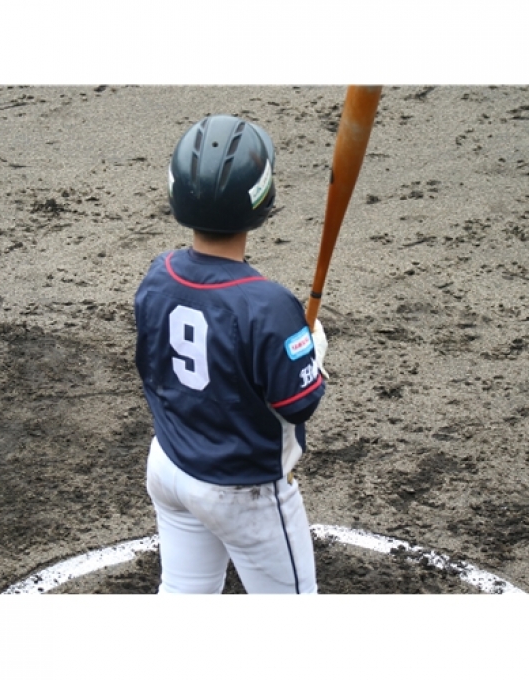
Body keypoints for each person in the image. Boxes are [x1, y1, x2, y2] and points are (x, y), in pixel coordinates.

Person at [134, 114, 328, 594]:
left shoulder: (158, 274)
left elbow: (153, 367)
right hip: (242, 490)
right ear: (262, 198)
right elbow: (297, 404)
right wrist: (312, 357)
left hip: (169, 465)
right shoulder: (269, 304)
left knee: (183, 596)